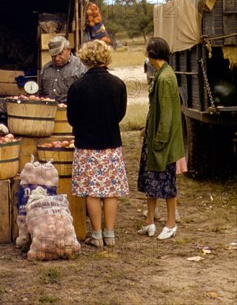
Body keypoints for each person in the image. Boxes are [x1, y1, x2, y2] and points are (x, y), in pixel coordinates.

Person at [67, 40, 129, 248]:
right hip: (111, 143)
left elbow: (72, 119)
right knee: (111, 191)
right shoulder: (118, 84)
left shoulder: (77, 86)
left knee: (92, 192)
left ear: (85, 59)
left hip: (86, 145)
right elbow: (120, 114)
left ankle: (96, 235)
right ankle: (110, 234)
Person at [137, 37, 184, 240]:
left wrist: (159, 142)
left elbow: (166, 116)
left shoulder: (165, 78)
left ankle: (171, 222)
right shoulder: (161, 74)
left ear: (152, 54)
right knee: (151, 179)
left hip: (162, 141)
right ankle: (149, 221)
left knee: (166, 181)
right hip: (155, 136)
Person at [40, 35, 87, 103]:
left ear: (68, 50)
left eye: (60, 54)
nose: (56, 58)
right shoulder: (46, 68)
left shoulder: (80, 66)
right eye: (53, 55)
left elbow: (85, 93)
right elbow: (41, 93)